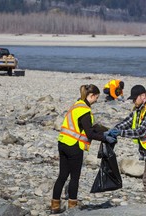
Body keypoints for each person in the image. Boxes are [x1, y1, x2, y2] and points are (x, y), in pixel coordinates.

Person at [50, 84, 117, 214]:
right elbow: (89, 133)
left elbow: (87, 127)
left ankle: (54, 206)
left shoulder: (77, 105)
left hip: (63, 143)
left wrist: (105, 131)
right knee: (75, 177)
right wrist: (105, 138)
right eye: (96, 97)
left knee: (62, 175)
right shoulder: (85, 110)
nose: (96, 100)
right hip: (74, 147)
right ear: (91, 96)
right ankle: (73, 208)